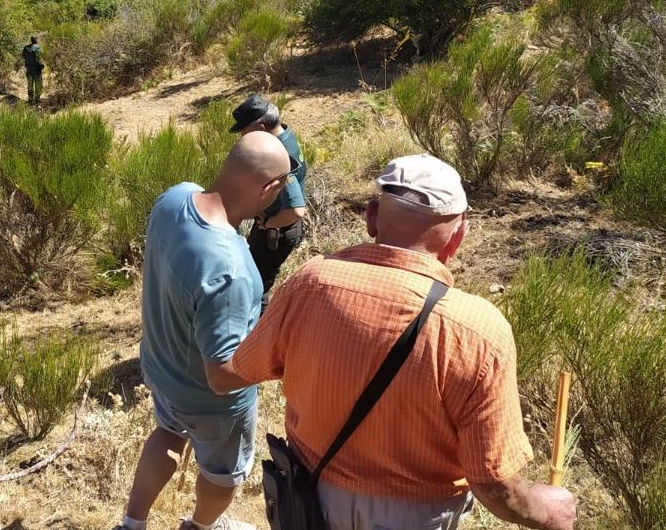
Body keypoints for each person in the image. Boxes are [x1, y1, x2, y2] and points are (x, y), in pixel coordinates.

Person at [209, 154, 577, 530]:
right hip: (414, 516)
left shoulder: (311, 283)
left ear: (371, 217)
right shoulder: (478, 330)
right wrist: (548, 511)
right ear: (459, 235)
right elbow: (494, 485)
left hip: (308, 498)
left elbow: (231, 374)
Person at [119, 132, 299, 530]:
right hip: (211, 403)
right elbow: (220, 377)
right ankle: (200, 526)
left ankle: (132, 523)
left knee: (167, 432)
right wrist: (286, 363)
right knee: (223, 473)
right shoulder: (231, 270)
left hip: (162, 369)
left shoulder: (174, 197)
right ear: (269, 188)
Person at [228, 95, 308, 308]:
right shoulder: (286, 135)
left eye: (245, 131)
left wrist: (267, 224)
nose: (242, 137)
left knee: (256, 288)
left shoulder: (279, 155)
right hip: (278, 227)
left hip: (277, 230)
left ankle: (258, 334)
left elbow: (297, 210)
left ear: (261, 127)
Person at [22, 35, 44, 104]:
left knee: (30, 85)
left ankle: (30, 99)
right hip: (37, 70)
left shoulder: (26, 48)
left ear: (31, 40)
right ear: (36, 40)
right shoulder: (38, 48)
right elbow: (40, 58)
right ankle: (37, 99)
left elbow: (23, 56)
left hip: (29, 69)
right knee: (38, 85)